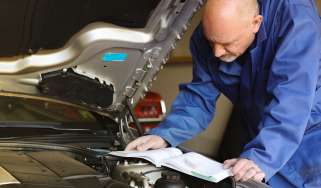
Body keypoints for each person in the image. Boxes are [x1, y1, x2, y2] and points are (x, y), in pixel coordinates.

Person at [126, 0, 321, 187]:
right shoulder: (206, 38)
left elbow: (292, 101)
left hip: (310, 144)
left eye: (226, 44)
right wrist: (164, 136)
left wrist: (262, 157)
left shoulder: (295, 20)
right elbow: (199, 98)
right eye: (212, 43)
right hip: (264, 137)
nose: (217, 53)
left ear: (256, 23)